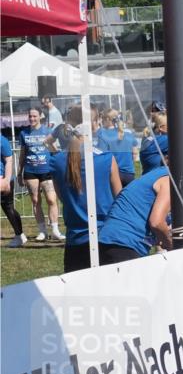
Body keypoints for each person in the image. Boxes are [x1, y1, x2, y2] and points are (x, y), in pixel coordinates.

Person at [50, 106, 122, 272]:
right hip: (106, 238)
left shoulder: (56, 162)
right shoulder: (106, 159)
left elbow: (62, 197)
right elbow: (120, 199)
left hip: (75, 241)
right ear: (94, 124)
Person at [98, 165, 172, 263]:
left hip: (109, 240)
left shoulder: (157, 175)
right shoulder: (168, 180)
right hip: (124, 244)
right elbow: (157, 223)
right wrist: (171, 244)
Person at [18, 107, 64, 241]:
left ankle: (55, 230)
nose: (32, 118)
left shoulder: (48, 131)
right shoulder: (23, 133)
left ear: (40, 116)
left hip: (47, 170)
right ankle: (43, 231)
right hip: (30, 171)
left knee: (51, 199)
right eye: (30, 116)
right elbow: (22, 154)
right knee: (35, 200)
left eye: (34, 116)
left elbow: (54, 151)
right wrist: (19, 173)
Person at [97, 109, 139, 187]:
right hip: (129, 175)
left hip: (113, 175)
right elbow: (135, 155)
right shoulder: (129, 134)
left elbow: (102, 157)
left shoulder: (102, 135)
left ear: (107, 119)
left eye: (102, 119)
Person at [1, 132, 26, 247]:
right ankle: (20, 235)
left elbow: (9, 161)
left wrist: (6, 181)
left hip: (3, 179)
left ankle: (19, 235)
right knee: (8, 208)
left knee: (8, 208)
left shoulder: (2, 141)